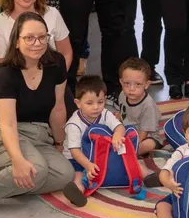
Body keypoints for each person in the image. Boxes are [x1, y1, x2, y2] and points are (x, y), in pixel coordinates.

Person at [0, 12, 72, 206]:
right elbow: (7, 124)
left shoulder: (56, 62)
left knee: (65, 174)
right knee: (37, 169)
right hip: (3, 132)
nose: (37, 43)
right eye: (29, 38)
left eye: (42, 37)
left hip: (39, 134)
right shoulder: (5, 74)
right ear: (16, 41)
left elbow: (58, 108)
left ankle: (3, 180)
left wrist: (59, 143)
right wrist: (16, 159)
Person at [59, 74, 138, 208]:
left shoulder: (105, 113)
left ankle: (148, 176)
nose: (96, 107)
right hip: (78, 158)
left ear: (105, 100)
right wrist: (88, 165)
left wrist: (118, 135)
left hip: (98, 153)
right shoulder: (74, 124)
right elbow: (74, 151)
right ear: (78, 103)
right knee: (79, 175)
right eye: (89, 103)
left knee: (130, 161)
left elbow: (119, 126)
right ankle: (78, 193)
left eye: (100, 102)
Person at [114, 57, 162, 156]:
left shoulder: (148, 105)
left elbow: (144, 133)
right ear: (121, 82)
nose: (131, 89)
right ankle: (123, 150)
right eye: (127, 83)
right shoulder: (122, 95)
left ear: (146, 84)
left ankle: (128, 153)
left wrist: (132, 143)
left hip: (146, 136)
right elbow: (123, 112)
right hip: (127, 130)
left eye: (138, 84)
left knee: (148, 144)